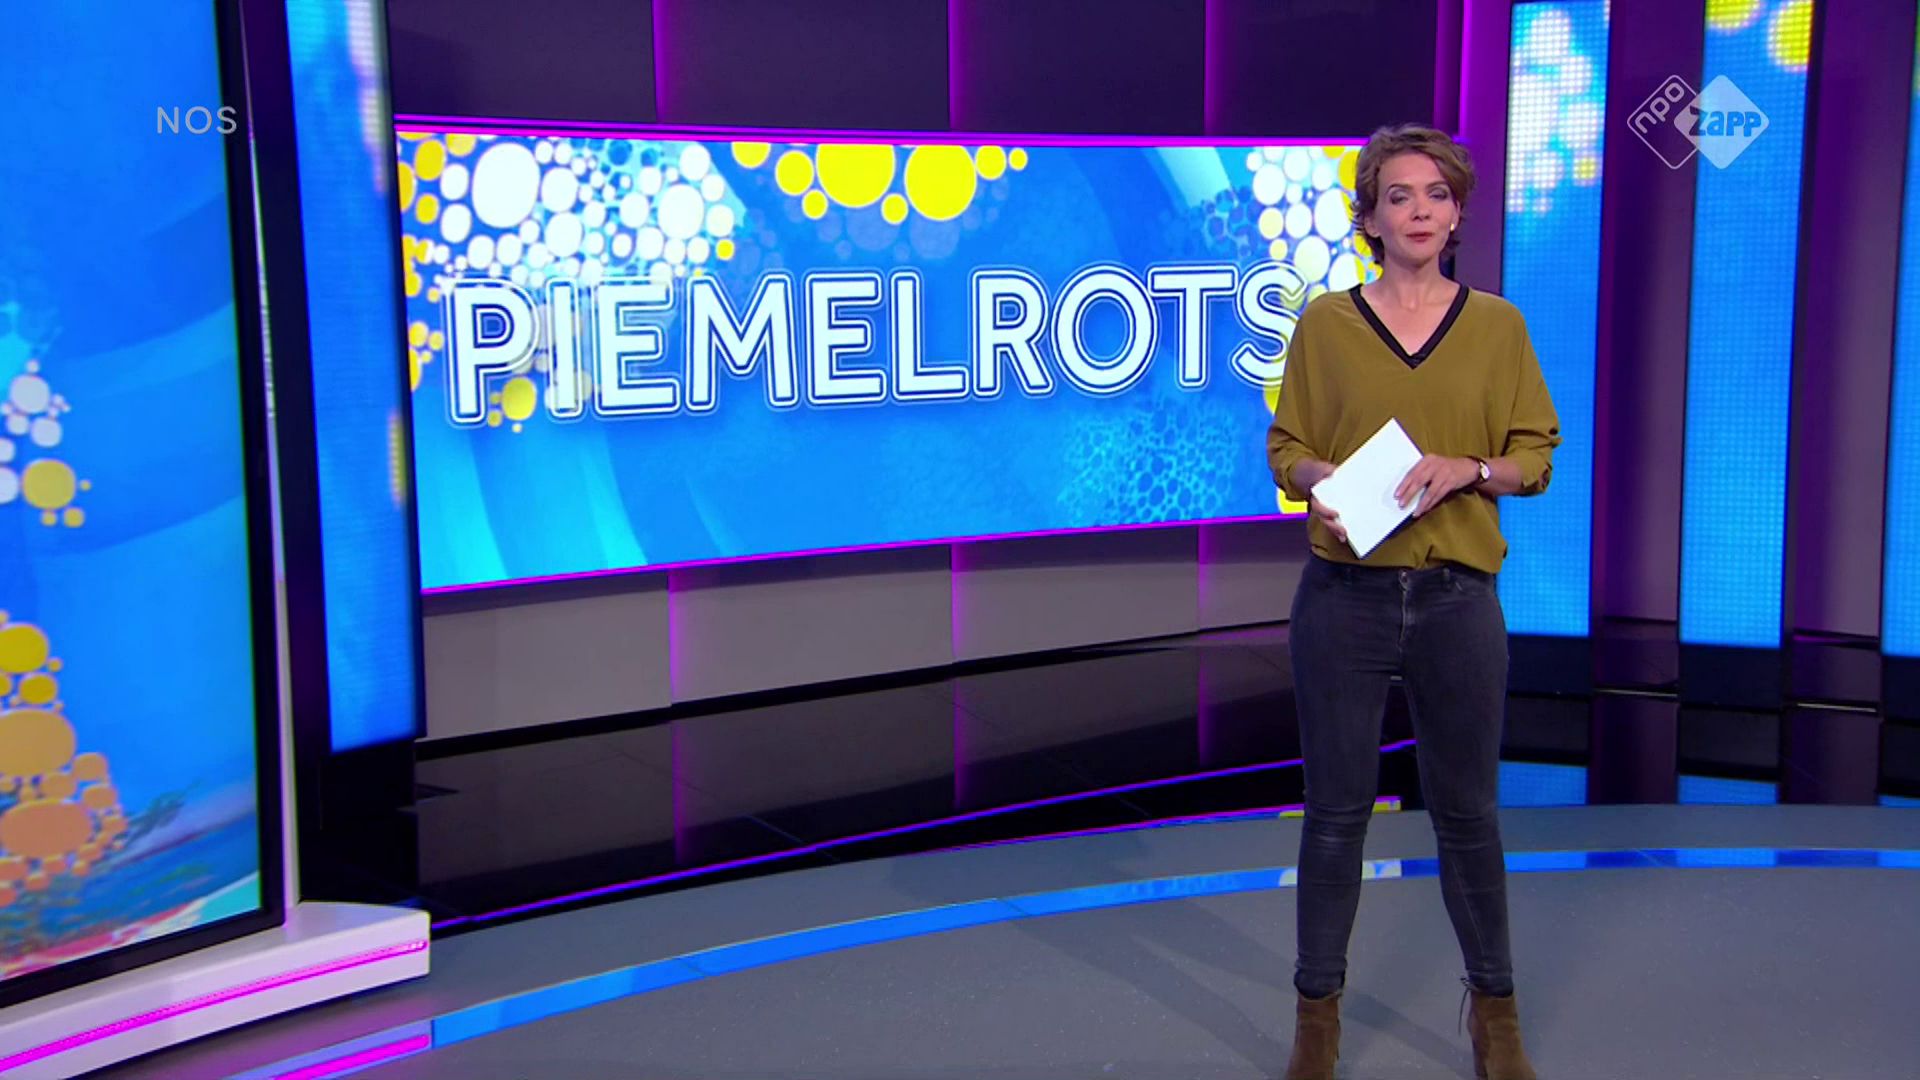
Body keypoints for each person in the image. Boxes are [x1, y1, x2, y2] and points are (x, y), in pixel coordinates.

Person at [1265, 123, 1560, 1080]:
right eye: (1399, 195)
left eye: (1437, 193)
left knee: (1468, 815)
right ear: (1371, 217)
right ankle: (1316, 1020)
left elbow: (1534, 457)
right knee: (1334, 816)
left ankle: (1495, 1016)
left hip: (1456, 600)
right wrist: (1322, 480)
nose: (1420, 210)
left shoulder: (1498, 326)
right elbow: (1287, 448)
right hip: (1343, 600)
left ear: (1458, 211)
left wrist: (1468, 468)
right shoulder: (1326, 324)